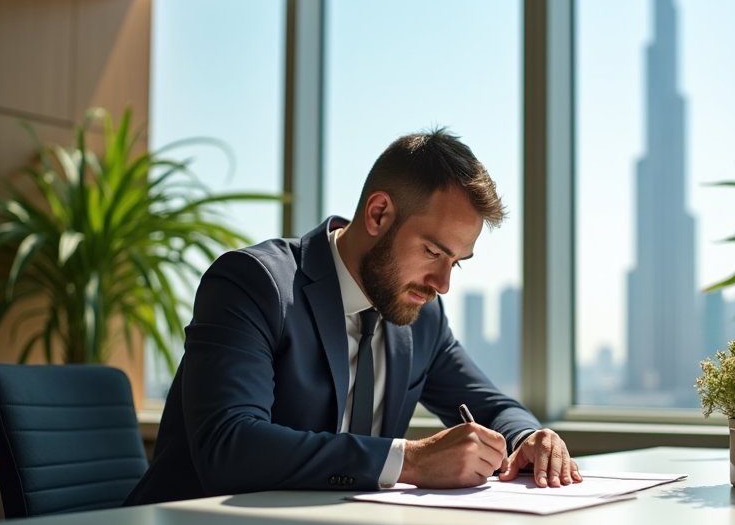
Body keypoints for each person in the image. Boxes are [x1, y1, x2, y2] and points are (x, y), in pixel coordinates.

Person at [125, 129, 580, 505]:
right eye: (432, 252)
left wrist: (530, 438)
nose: (442, 283)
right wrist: (411, 460)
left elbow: (493, 406)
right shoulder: (255, 283)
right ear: (379, 214)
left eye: (456, 262)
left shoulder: (423, 316)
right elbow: (229, 448)